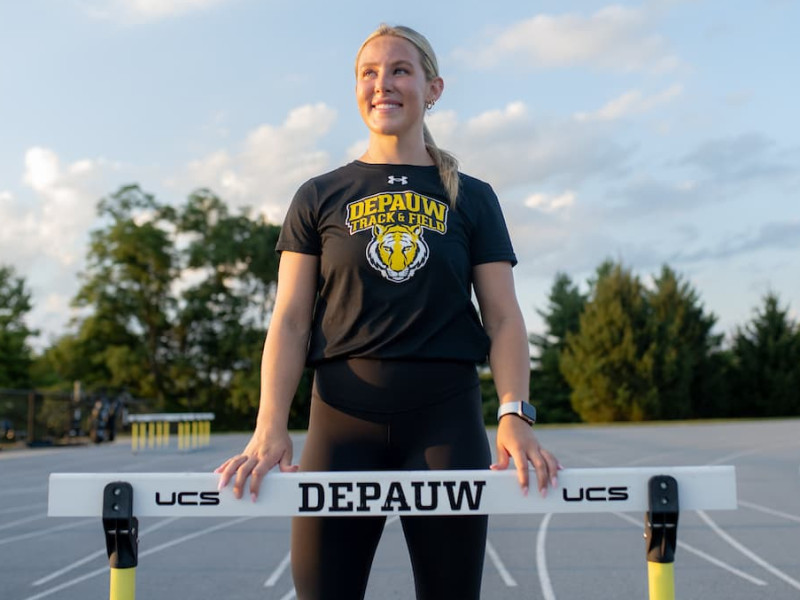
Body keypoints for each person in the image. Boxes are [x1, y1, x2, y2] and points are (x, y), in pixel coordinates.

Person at [215, 23, 560, 600]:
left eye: (400, 70)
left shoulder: (471, 197)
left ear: (434, 87)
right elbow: (292, 321)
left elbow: (502, 317)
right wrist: (270, 425)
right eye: (369, 73)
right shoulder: (318, 195)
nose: (383, 84)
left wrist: (514, 417)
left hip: (445, 425)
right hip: (342, 422)